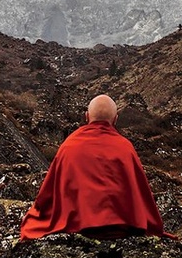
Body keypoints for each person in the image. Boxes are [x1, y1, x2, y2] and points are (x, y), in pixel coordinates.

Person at [19, 94, 172, 240]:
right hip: (120, 228)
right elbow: (141, 194)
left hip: (78, 225)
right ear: (116, 119)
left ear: (86, 116)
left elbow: (47, 194)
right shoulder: (125, 147)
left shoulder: (70, 145)